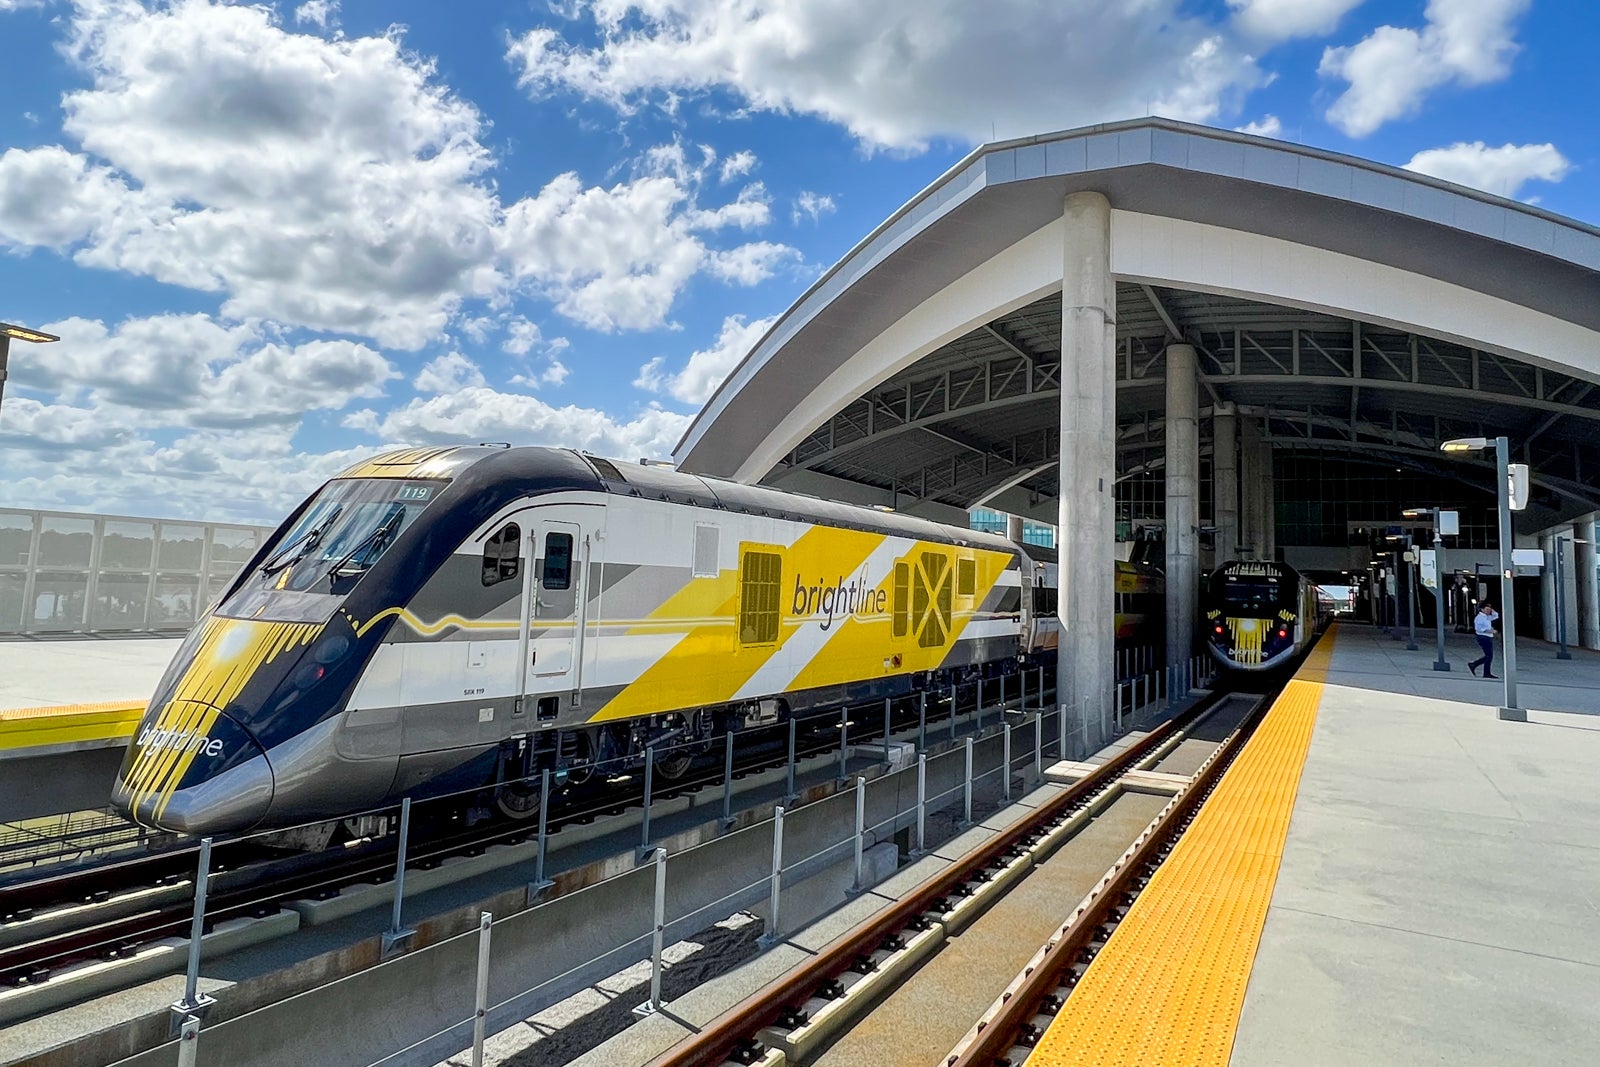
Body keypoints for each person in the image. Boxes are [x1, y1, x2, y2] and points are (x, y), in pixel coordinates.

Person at [1468, 603, 1499, 679]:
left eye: (1489, 609)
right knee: (1489, 656)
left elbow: (1496, 615)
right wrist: (1489, 631)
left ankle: (1478, 667)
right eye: (1487, 609)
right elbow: (1478, 629)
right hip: (1483, 637)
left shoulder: (1487, 617)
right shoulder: (1479, 618)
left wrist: (1492, 610)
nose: (1488, 611)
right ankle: (1480, 668)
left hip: (1488, 637)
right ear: (1482, 609)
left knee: (1489, 656)